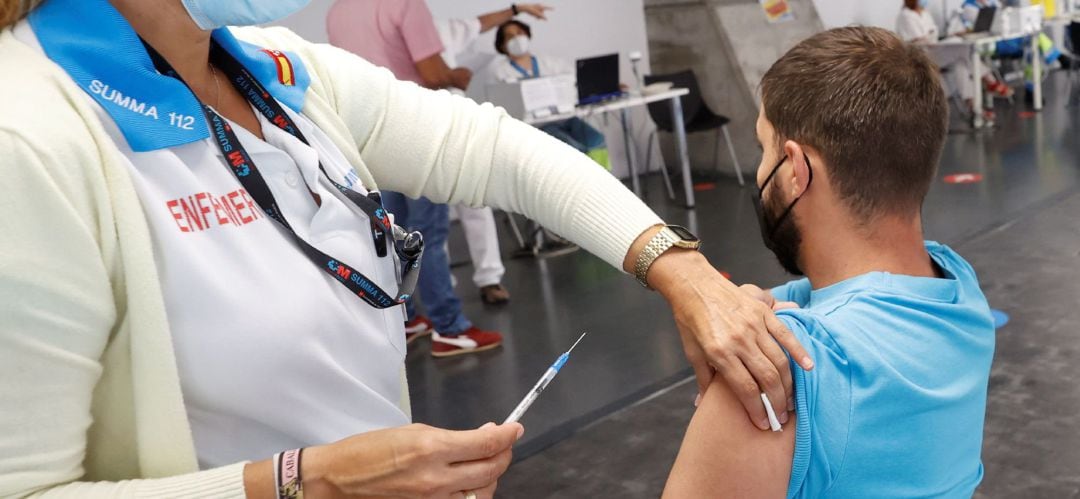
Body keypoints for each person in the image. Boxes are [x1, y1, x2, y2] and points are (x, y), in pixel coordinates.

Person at [0, 0, 812, 496]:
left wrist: (682, 269)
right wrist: (308, 481)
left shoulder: (276, 71)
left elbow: (495, 149)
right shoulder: (29, 137)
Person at [664, 27, 995, 498]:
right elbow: (829, 301)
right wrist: (733, 305)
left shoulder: (779, 376)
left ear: (796, 170)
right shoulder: (958, 288)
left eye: (764, 151)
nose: (761, 173)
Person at [327, 0, 506, 356]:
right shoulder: (406, 4)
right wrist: (459, 76)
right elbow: (435, 73)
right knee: (430, 235)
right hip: (415, 135)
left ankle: (406, 320)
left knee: (394, 237)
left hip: (368, 137)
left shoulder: (338, 12)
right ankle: (449, 327)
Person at [435, 4, 554, 307]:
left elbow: (477, 23)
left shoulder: (439, 29)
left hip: (457, 127)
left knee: (476, 202)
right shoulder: (389, 31)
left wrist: (515, 8)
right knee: (429, 220)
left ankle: (489, 278)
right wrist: (451, 77)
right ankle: (441, 286)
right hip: (417, 132)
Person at [490, 19, 610, 168]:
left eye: (519, 33)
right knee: (573, 150)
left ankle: (606, 182)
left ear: (527, 35)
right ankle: (582, 188)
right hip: (537, 125)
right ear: (502, 45)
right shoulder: (500, 72)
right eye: (510, 36)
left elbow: (578, 81)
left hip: (566, 118)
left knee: (596, 141)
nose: (517, 39)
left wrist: (606, 86)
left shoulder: (550, 62)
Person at [896, 0, 1009, 114]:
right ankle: (989, 80)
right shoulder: (905, 16)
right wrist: (929, 38)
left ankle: (973, 106)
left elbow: (934, 34)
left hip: (934, 49)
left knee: (960, 63)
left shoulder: (925, 13)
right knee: (962, 49)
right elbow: (914, 41)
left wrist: (952, 35)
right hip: (922, 55)